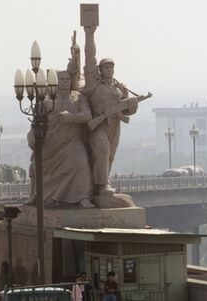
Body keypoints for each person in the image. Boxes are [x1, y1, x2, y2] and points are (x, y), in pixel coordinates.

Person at [83, 25, 139, 196]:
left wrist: (132, 105)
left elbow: (128, 110)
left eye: (111, 67)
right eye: (106, 67)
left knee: (110, 156)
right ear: (100, 69)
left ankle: (100, 183)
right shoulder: (94, 84)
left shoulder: (120, 87)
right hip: (98, 124)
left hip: (115, 125)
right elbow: (89, 58)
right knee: (102, 150)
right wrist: (89, 33)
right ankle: (102, 185)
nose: (109, 70)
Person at [26, 70, 95, 208]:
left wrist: (72, 117)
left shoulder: (78, 98)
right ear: (55, 82)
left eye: (67, 79)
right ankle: (35, 194)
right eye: (61, 79)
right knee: (36, 164)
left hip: (72, 140)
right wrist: (31, 135)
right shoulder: (46, 100)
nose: (64, 82)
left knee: (81, 164)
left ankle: (83, 197)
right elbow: (36, 121)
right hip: (51, 141)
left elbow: (87, 115)